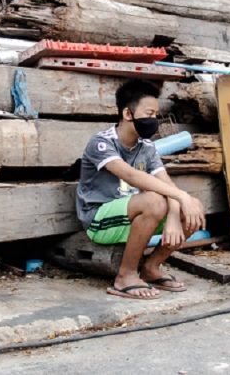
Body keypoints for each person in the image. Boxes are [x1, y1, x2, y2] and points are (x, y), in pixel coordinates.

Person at [76, 79, 207, 300]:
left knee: (193, 206)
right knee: (156, 201)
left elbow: (168, 186)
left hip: (134, 216)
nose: (154, 120)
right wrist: (180, 196)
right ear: (128, 114)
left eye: (156, 114)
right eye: (149, 113)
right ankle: (125, 276)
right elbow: (131, 175)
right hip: (99, 219)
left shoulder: (146, 148)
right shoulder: (102, 143)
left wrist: (175, 216)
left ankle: (151, 268)